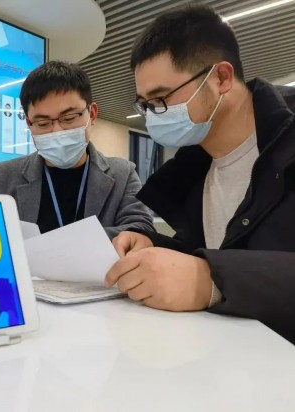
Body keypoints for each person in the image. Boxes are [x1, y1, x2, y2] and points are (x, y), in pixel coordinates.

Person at [106, 4, 295, 343]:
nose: (153, 115)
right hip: (227, 358)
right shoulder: (195, 167)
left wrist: (211, 279)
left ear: (221, 78)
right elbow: (209, 248)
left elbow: (218, 268)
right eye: (146, 105)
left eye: (161, 98)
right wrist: (152, 244)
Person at [0, 61, 154, 239]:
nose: (57, 131)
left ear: (92, 114)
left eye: (69, 118)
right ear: (29, 124)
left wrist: (65, 244)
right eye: (43, 123)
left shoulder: (123, 174)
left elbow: (140, 230)